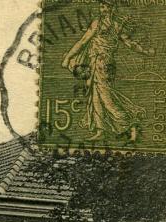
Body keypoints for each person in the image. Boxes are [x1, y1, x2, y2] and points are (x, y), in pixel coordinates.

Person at [61, 0, 154, 142]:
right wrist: (68, 56)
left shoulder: (113, 24)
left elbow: (128, 43)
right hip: (97, 63)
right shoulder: (99, 23)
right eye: (101, 6)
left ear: (112, 8)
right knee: (96, 97)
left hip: (104, 65)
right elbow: (84, 41)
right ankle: (101, 131)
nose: (102, 9)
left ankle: (132, 125)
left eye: (106, 6)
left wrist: (146, 51)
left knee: (107, 99)